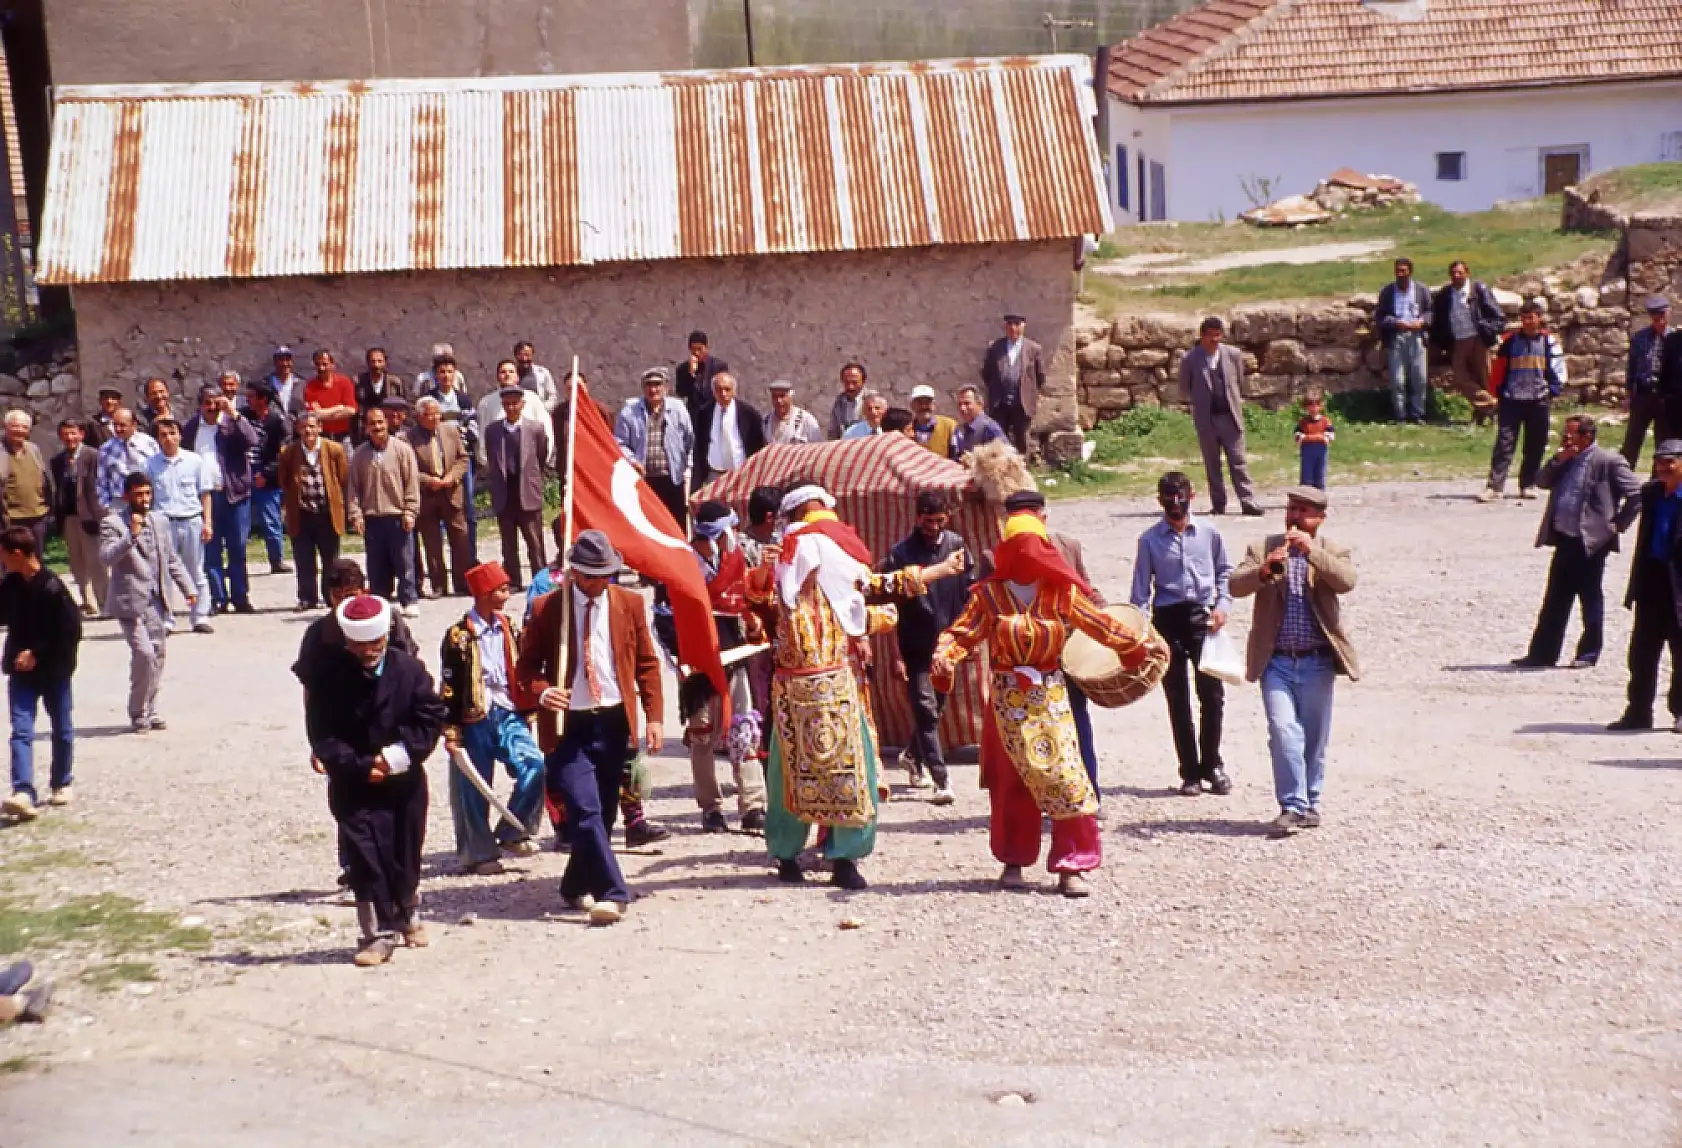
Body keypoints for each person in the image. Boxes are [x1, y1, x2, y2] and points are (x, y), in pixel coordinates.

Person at [933, 494, 1147, 896]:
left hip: (1050, 696)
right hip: (1006, 699)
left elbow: (1098, 622)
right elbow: (962, 633)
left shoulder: (1059, 592)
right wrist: (944, 657)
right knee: (1011, 783)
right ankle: (1013, 861)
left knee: (1066, 775)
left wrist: (1134, 645)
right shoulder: (989, 596)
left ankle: (1072, 865)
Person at [744, 486, 953, 891]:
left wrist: (928, 578)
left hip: (823, 682)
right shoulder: (788, 565)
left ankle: (826, 857)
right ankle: (813, 856)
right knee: (823, 770)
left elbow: (873, 595)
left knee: (825, 771)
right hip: (810, 686)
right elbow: (876, 593)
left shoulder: (812, 563)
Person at [515, 531, 664, 926]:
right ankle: (613, 892)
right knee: (583, 809)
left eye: (607, 575)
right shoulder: (548, 608)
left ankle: (572, 884)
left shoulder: (628, 604)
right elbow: (525, 669)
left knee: (605, 813)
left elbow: (647, 663)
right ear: (575, 573)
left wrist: (655, 716)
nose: (601, 583)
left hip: (613, 721)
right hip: (568, 726)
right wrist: (543, 692)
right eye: (594, 576)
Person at [304, 594, 445, 966]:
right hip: (354, 783)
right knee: (365, 858)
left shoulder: (410, 671)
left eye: (375, 642)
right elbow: (324, 734)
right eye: (359, 644)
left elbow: (430, 719)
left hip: (404, 782)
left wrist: (395, 759)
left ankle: (408, 913)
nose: (368, 650)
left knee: (404, 852)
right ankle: (376, 934)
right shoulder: (328, 677)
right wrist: (362, 766)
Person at [1230, 486, 1359, 836]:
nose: (1295, 517)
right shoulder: (1263, 547)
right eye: (1291, 509)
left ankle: (1311, 802)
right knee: (1283, 730)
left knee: (1314, 738)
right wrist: (1263, 571)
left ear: (1319, 518)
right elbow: (1234, 586)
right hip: (1276, 662)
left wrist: (1312, 553)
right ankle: (1293, 805)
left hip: (1316, 661)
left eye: (1303, 511)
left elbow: (1347, 581)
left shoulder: (1333, 549)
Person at [438, 561, 545, 873]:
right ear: (484, 593)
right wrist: (450, 728)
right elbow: (449, 683)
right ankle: (478, 852)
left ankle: (514, 829)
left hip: (507, 710)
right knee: (473, 784)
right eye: (500, 588)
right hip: (474, 715)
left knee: (534, 764)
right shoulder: (458, 636)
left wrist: (527, 709)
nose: (507, 593)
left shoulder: (510, 627)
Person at [1131, 471, 1233, 796]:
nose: (1175, 505)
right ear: (1159, 500)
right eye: (1168, 499)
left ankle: (1212, 764)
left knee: (1212, 694)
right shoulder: (1149, 540)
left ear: (1192, 496)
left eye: (1181, 497)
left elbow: (1225, 572)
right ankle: (1189, 771)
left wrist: (1223, 606)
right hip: (1168, 620)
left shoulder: (1209, 533)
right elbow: (1140, 592)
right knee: (1178, 698)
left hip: (1203, 618)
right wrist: (1143, 631)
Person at [1511, 416, 1640, 670]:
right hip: (1565, 538)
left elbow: (1635, 495)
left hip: (1591, 542)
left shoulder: (1608, 461)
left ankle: (1588, 653)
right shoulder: (1566, 460)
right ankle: (1542, 654)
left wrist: (1615, 527)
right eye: (1564, 435)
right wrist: (1559, 459)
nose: (1565, 439)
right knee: (1555, 598)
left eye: (1571, 435)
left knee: (1590, 598)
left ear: (1587, 436)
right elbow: (1541, 481)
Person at [880, 490, 972, 804]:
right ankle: (941, 779)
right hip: (914, 644)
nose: (933, 526)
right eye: (927, 519)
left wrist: (964, 638)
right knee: (926, 708)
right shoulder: (900, 555)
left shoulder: (957, 546)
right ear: (917, 516)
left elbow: (968, 593)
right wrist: (894, 655)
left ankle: (912, 754)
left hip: (946, 643)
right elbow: (888, 608)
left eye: (939, 520)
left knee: (937, 707)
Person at [683, 501, 768, 833]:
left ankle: (752, 805)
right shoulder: (683, 563)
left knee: (744, 730)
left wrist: (754, 623)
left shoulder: (737, 559)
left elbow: (747, 602)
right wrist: (680, 661)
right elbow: (666, 618)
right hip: (698, 665)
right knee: (702, 735)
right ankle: (710, 807)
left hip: (736, 659)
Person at [100, 472, 196, 734]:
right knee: (144, 654)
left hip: (157, 599)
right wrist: (130, 535)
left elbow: (171, 558)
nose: (143, 499)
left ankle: (150, 710)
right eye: (138, 494)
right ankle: (136, 711)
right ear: (126, 496)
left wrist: (188, 588)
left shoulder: (160, 521)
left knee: (158, 657)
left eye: (147, 493)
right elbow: (107, 557)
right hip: (130, 601)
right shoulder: (112, 523)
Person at [0, 527, 81, 821]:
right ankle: (23, 791)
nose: (2, 560)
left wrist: (36, 653)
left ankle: (61, 782)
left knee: (62, 727)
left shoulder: (53, 588)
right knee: (21, 730)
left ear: (17, 554)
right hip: (21, 673)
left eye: (3, 554)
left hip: (54, 671)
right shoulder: (10, 586)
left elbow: (70, 631)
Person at [1609, 440, 1682, 733]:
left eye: (1670, 462)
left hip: (1680, 583)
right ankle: (1638, 712)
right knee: (1641, 652)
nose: (1662, 468)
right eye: (1658, 462)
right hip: (1652, 578)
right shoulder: (1651, 493)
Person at [1478, 303, 1568, 503]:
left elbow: (1559, 369)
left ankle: (1528, 483)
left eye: (1531, 317)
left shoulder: (1549, 342)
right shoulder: (1509, 342)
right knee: (1504, 443)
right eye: (1524, 317)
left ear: (1539, 318)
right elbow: (1498, 367)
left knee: (1535, 444)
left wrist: (1552, 391)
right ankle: (1494, 486)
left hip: (1538, 400)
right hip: (1512, 400)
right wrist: (1497, 392)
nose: (1528, 322)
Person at [182, 387, 259, 616]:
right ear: (200, 405)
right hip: (206, 497)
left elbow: (252, 440)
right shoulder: (192, 427)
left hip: (234, 494)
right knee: (211, 550)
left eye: (216, 402)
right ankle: (218, 598)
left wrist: (233, 414)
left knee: (238, 548)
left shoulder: (231, 424)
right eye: (208, 402)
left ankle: (240, 596)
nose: (212, 407)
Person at [1179, 317, 1261, 517]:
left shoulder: (1233, 355)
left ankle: (1247, 501)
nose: (1215, 339)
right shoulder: (1190, 359)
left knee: (1238, 461)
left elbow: (1239, 381)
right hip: (1207, 419)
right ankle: (1218, 503)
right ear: (1202, 336)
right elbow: (1184, 387)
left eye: (1218, 335)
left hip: (1230, 417)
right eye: (1211, 335)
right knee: (1212, 464)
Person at [143, 418, 215, 634]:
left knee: (196, 570)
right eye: (163, 435)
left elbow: (205, 494)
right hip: (163, 522)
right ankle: (166, 619)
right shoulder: (150, 464)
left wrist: (208, 522)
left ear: (180, 436)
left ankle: (200, 616)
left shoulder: (194, 461)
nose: (168, 438)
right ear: (158, 439)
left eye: (172, 433)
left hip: (191, 520)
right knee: (162, 573)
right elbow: (147, 496)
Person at [347, 408, 421, 617]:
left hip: (398, 515)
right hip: (373, 517)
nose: (377, 427)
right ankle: (381, 601)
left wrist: (410, 510)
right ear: (366, 427)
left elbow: (411, 482)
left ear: (387, 423)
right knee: (376, 564)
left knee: (404, 560)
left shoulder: (402, 450)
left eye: (380, 422)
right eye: (373, 424)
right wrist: (356, 515)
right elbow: (353, 488)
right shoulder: (359, 455)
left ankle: (408, 599)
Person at [484, 383, 552, 591]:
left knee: (535, 540)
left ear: (522, 404)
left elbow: (541, 456)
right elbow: (491, 457)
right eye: (507, 404)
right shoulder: (493, 430)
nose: (511, 407)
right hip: (505, 490)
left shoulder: (535, 429)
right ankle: (513, 580)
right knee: (508, 541)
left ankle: (540, 579)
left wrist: (532, 478)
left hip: (527, 490)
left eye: (515, 403)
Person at [277, 412, 349, 611]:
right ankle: (307, 597)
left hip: (327, 513)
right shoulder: (289, 452)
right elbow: (283, 480)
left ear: (320, 428)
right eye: (303, 427)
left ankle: (330, 596)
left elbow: (343, 478)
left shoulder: (334, 450)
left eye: (311, 426)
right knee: (303, 558)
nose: (308, 431)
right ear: (298, 430)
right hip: (302, 513)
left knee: (331, 559)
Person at [413, 350, 479, 557]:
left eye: (450, 372)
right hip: (432, 460)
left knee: (465, 510)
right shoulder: (429, 399)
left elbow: (473, 427)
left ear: (455, 374)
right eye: (442, 372)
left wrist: (461, 438)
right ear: (435, 375)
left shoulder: (463, 400)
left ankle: (469, 555)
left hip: (458, 459)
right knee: (437, 515)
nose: (446, 376)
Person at [405, 396, 472, 598]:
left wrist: (451, 478)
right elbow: (408, 468)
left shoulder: (451, 431)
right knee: (432, 543)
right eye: (429, 414)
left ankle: (462, 583)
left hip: (451, 493)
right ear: (419, 417)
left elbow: (463, 458)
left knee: (460, 539)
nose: (435, 417)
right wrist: (428, 480)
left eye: (437, 413)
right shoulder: (409, 438)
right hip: (427, 496)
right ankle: (438, 584)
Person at [614, 366, 694, 533]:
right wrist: (633, 461)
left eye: (658, 384)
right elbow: (620, 442)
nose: (653, 389)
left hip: (673, 478)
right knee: (648, 524)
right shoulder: (630, 412)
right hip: (645, 479)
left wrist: (685, 466)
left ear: (666, 387)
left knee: (676, 524)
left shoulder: (678, 409)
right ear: (643, 388)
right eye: (649, 385)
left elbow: (689, 438)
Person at [1429, 260, 1505, 425]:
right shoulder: (1445, 295)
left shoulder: (1478, 290)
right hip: (1458, 340)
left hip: (1478, 338)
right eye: (1453, 273)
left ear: (1467, 273)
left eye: (1459, 272)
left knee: (1483, 377)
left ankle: (1482, 415)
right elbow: (1439, 320)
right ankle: (1493, 404)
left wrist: (1489, 330)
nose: (1456, 276)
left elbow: (1497, 315)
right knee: (1460, 377)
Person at [50, 418, 105, 617]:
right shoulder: (57, 460)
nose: (69, 438)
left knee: (95, 559)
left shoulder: (93, 456)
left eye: (73, 433)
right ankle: (88, 601)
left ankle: (104, 601)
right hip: (69, 516)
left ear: (81, 434)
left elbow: (100, 484)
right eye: (65, 434)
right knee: (76, 561)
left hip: (90, 514)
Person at [1375, 256, 1433, 424]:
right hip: (1396, 338)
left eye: (1403, 271)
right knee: (1398, 379)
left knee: (1419, 377)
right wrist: (1395, 322)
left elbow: (1430, 312)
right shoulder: (1388, 291)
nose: (1400, 274)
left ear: (1410, 272)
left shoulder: (1421, 290)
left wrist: (1421, 322)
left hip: (1417, 337)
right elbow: (1380, 316)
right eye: (1398, 271)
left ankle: (1417, 414)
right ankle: (1400, 415)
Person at [243, 379, 291, 576]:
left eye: (252, 396)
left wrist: (267, 473)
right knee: (240, 521)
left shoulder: (277, 421)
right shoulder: (243, 416)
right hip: (242, 473)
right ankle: (238, 563)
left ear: (263, 399)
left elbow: (284, 453)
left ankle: (276, 560)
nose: (248, 400)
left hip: (266, 474)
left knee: (271, 519)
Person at [979, 313, 1044, 456]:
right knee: (998, 439)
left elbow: (1040, 376)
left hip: (1022, 403)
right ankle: (1001, 472)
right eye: (1010, 324)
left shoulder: (1033, 349)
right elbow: (987, 373)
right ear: (1005, 326)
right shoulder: (995, 347)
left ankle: (1021, 471)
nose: (1013, 328)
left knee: (1022, 439)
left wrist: (1030, 394)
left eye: (1017, 324)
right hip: (1000, 403)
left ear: (1024, 326)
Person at [474, 359, 551, 471]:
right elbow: (482, 434)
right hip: (499, 463)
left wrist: (541, 462)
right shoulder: (486, 403)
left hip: (529, 463)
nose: (507, 375)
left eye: (511, 371)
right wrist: (486, 463)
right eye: (503, 372)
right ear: (497, 376)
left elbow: (545, 429)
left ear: (517, 376)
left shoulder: (532, 398)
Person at [692, 372, 765, 489]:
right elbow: (699, 445)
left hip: (741, 474)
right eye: (719, 390)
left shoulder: (749, 414)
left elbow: (758, 445)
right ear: (713, 392)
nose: (723, 393)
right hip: (714, 475)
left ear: (734, 391)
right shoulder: (704, 413)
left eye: (727, 389)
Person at [1623, 297, 1672, 466]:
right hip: (1643, 395)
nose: (1659, 319)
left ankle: (1658, 482)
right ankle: (1623, 477)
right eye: (1655, 315)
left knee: (1664, 443)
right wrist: (1628, 395)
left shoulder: (1676, 339)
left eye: (1662, 314)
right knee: (1632, 440)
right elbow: (1632, 367)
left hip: (1666, 398)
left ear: (1668, 313)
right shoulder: (1640, 338)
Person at [0, 411, 53, 553]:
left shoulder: (33, 449)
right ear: (5, 426)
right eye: (15, 426)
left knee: (36, 560)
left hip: (37, 516)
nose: (20, 430)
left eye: (24, 427)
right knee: (11, 562)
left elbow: (43, 478)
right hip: (10, 519)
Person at [95, 407, 159, 514]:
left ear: (133, 424)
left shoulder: (149, 443)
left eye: (122, 425)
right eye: (115, 425)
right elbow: (102, 480)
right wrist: (105, 505)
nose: (118, 429)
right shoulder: (106, 448)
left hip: (145, 501)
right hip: (118, 503)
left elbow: (157, 473)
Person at [303, 350, 358, 443]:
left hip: (343, 436)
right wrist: (338, 408)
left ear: (332, 365)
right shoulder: (310, 386)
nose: (321, 368)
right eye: (318, 364)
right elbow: (314, 414)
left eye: (325, 364)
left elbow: (351, 410)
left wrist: (324, 413)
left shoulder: (344, 382)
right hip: (321, 437)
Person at [354, 348, 405, 441]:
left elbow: (401, 407)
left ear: (385, 362)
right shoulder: (358, 382)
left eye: (379, 361)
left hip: (390, 429)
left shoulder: (395, 382)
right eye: (373, 361)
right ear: (368, 363)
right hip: (364, 429)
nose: (376, 365)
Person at [675, 330, 727, 420]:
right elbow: (681, 392)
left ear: (706, 348)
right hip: (694, 416)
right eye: (693, 349)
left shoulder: (718, 366)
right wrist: (691, 374)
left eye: (699, 349)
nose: (696, 353)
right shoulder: (683, 368)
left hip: (713, 414)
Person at [949, 385, 1005, 462]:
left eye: (967, 403)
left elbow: (1005, 457)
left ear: (980, 404)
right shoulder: (964, 427)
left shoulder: (989, 427)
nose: (962, 408)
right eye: (960, 404)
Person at [1295, 387, 1335, 489]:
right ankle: (1306, 500)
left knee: (1320, 476)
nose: (1313, 408)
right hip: (1307, 452)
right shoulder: (1303, 422)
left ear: (1321, 405)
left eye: (1316, 405)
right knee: (1306, 477)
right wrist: (1301, 437)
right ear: (1306, 407)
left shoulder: (1325, 421)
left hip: (1321, 453)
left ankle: (1319, 500)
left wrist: (1328, 437)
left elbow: (1331, 434)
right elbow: (1297, 435)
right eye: (1310, 406)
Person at [763, 380, 822, 445]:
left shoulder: (806, 420)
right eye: (775, 397)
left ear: (790, 396)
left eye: (782, 396)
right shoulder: (765, 422)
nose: (779, 401)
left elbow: (817, 447)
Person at [908, 385, 956, 458]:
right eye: (919, 402)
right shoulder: (907, 430)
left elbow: (957, 457)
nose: (923, 406)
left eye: (927, 402)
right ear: (912, 405)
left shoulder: (949, 426)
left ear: (934, 404)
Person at [513, 341, 558, 413]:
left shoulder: (543, 372)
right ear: (515, 356)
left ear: (532, 355)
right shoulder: (511, 373)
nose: (524, 359)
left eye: (527, 355)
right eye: (521, 355)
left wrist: (542, 409)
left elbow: (552, 396)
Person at [266, 345, 308, 423]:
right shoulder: (266, 383)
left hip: (296, 428)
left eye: (288, 360)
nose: (285, 364)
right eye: (281, 360)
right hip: (273, 428)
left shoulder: (301, 383)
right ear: (275, 362)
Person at [828, 362, 869, 439]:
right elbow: (833, 431)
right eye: (847, 382)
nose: (851, 387)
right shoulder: (839, 403)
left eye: (854, 382)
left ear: (863, 381)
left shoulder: (872, 400)